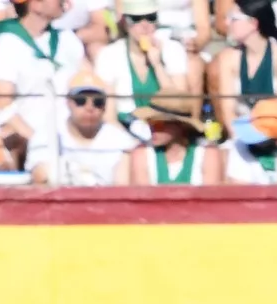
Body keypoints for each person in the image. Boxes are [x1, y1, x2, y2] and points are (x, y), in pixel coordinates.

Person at [0, 0, 85, 169]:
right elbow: (2, 105)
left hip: (74, 135)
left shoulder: (67, 39)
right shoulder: (9, 42)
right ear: (35, 4)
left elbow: (91, 83)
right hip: (33, 138)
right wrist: (38, 139)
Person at [95, 0, 200, 133]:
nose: (144, 25)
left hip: (166, 129)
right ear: (125, 22)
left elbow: (178, 106)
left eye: (151, 18)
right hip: (125, 128)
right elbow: (108, 116)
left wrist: (157, 65)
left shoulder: (173, 49)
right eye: (136, 19)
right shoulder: (109, 55)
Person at [25, 67, 137, 181]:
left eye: (97, 102)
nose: (89, 107)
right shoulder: (47, 135)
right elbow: (40, 177)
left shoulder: (120, 141)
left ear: (105, 106)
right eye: (80, 100)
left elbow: (123, 187)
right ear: (68, 102)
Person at [210, 0, 277, 131]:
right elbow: (228, 110)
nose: (227, 23)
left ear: (253, 23)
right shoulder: (227, 58)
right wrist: (240, 137)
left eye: (234, 19)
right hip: (242, 133)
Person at [120, 99, 221, 180]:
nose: (153, 130)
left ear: (180, 125)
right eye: (150, 123)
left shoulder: (206, 153)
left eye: (158, 124)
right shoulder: (142, 154)